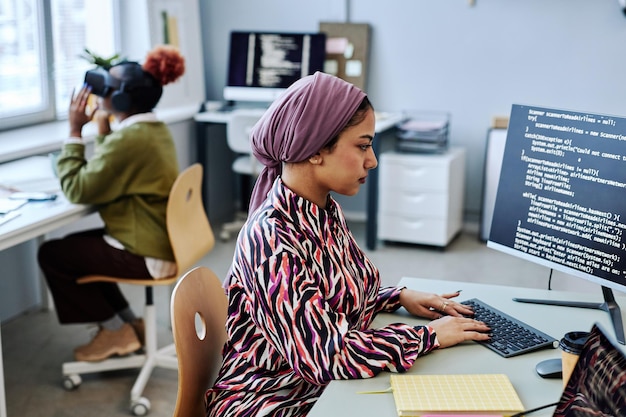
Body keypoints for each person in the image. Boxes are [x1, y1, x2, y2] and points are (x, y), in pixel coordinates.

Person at [206, 71, 491, 416]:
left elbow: (333, 294)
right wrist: (428, 337)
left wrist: (397, 296)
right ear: (315, 151)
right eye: (362, 145)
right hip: (271, 399)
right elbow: (327, 355)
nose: (371, 160)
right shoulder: (271, 240)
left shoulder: (323, 210)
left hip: (322, 386)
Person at [37, 45, 185, 362]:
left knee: (53, 255)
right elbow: (119, 168)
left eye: (107, 86)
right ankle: (128, 325)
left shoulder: (129, 140)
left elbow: (77, 189)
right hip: (161, 242)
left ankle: (115, 330)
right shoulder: (153, 129)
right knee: (75, 250)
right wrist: (104, 132)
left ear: (120, 99)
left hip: (147, 253)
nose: (99, 92)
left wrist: (75, 130)